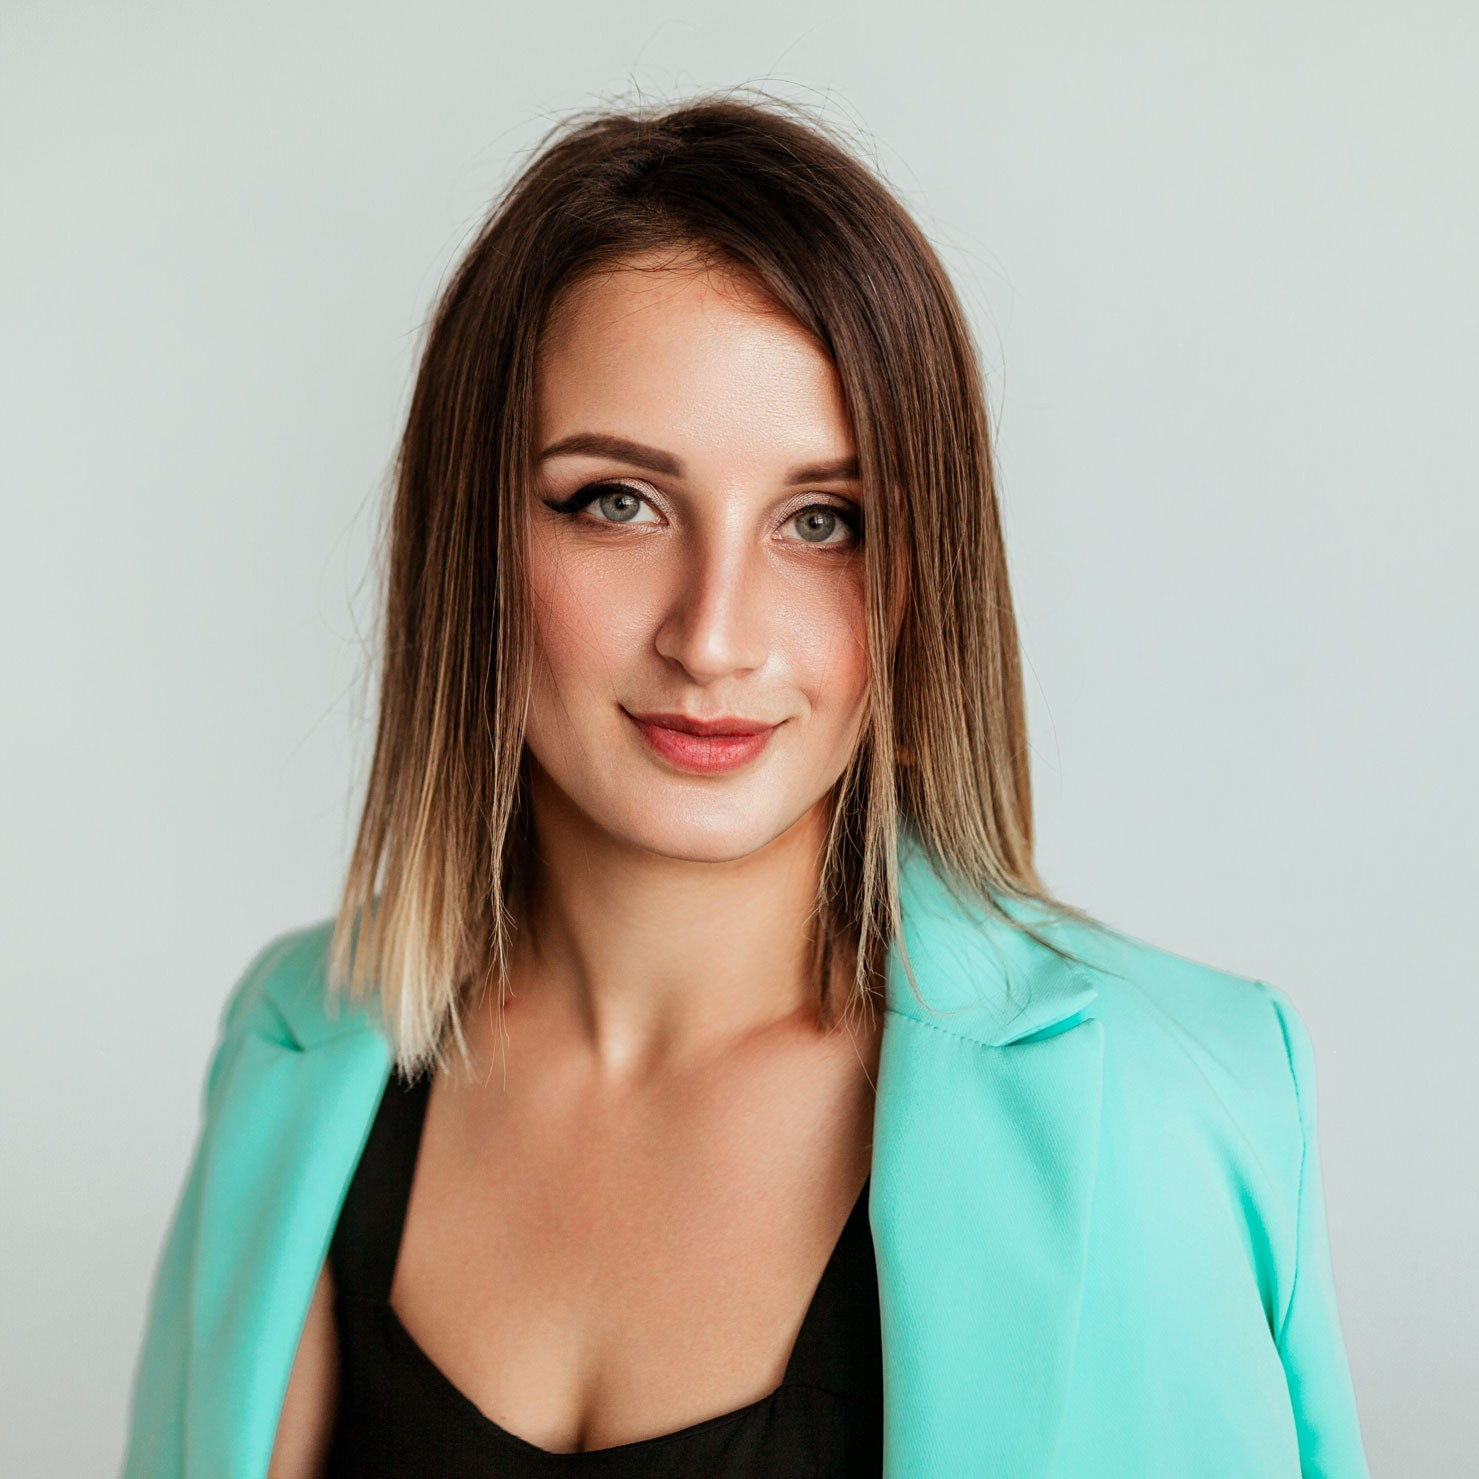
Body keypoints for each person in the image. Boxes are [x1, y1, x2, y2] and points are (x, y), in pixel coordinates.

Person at [119, 92, 1371, 1478]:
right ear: (471, 536)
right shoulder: (297, 1049)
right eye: (617, 502)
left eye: (823, 521)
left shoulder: (1153, 1110)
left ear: (923, 579)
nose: (714, 636)